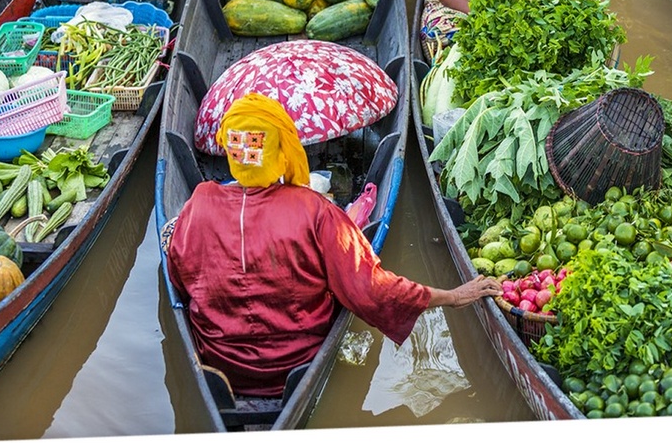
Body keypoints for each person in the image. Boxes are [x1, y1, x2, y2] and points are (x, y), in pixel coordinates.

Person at [163, 93, 501, 398]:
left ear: (231, 151)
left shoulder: (199, 203)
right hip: (297, 366)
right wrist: (452, 297)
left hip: (220, 366)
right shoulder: (315, 211)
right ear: (282, 150)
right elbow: (373, 291)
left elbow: (180, 278)